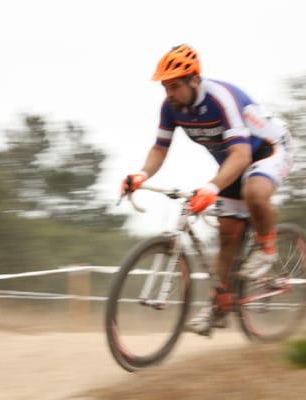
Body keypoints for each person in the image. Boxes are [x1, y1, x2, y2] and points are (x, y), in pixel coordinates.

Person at [121, 44, 293, 335]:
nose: (169, 94)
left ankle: (266, 246)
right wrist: (141, 173)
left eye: (174, 86)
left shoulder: (221, 100)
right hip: (234, 162)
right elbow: (160, 148)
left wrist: (212, 187)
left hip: (269, 150)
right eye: (165, 88)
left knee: (254, 192)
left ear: (194, 80)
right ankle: (220, 306)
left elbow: (241, 155)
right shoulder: (171, 108)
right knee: (228, 234)